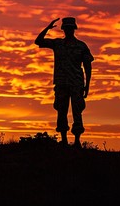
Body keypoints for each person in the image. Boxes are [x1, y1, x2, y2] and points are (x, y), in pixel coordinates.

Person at [35, 16, 94, 148]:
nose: (68, 30)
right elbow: (38, 41)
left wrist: (87, 85)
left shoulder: (81, 46)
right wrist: (47, 28)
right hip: (61, 83)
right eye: (66, 28)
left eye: (70, 28)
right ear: (63, 29)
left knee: (77, 111)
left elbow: (88, 66)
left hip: (76, 84)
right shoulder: (58, 44)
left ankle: (77, 140)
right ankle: (64, 140)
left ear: (74, 29)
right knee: (61, 111)